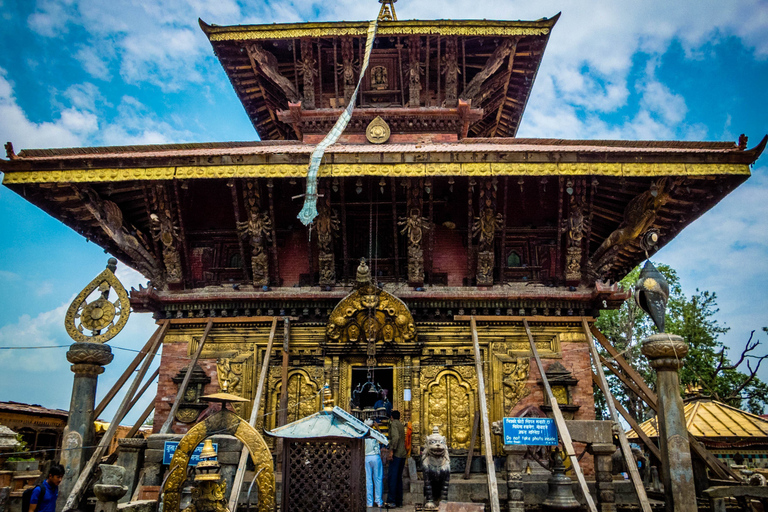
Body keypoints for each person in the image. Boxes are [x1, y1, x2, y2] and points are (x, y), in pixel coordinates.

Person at [386, 410, 406, 508]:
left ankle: (391, 501)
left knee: (392, 478)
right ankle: (399, 501)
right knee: (398, 478)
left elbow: (396, 437)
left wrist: (391, 451)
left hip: (397, 454)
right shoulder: (401, 425)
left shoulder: (394, 424)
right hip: (402, 454)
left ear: (391, 417)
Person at [364, 418, 384, 508]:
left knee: (368, 480)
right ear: (372, 425)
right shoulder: (375, 434)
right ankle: (379, 501)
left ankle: (369, 502)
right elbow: (383, 439)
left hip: (367, 457)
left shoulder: (363, 434)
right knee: (378, 479)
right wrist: (378, 428)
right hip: (376, 457)